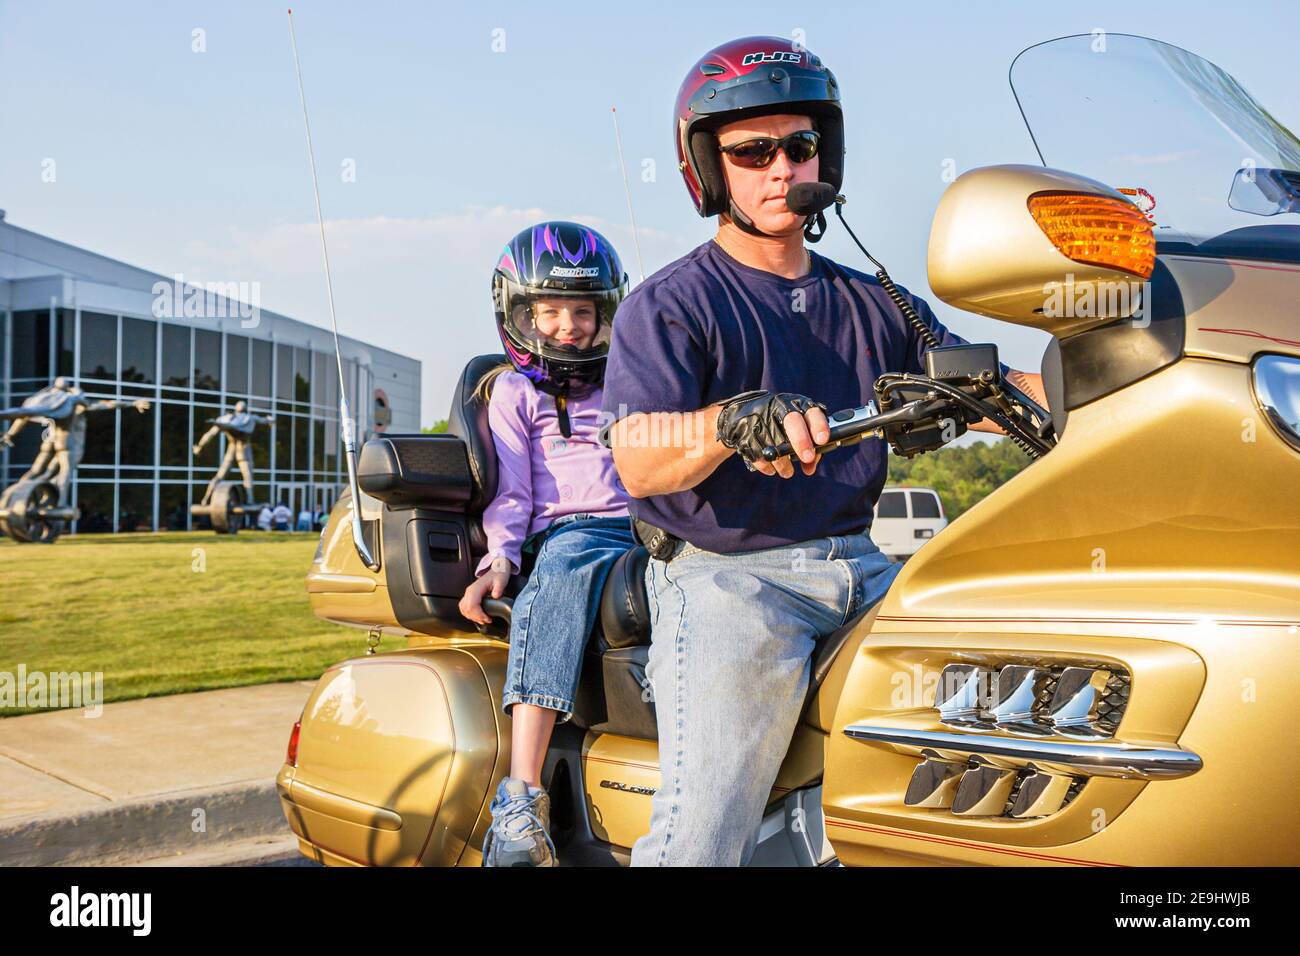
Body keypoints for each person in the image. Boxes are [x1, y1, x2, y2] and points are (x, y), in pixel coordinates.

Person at [600, 36, 1049, 866]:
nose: (780, 168)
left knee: (1015, 719)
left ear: (825, 158)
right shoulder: (671, 305)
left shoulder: (871, 301)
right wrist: (732, 421)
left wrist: (1121, 367)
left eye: (799, 146)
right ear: (710, 168)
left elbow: (982, 386)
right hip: (730, 577)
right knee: (703, 834)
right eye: (753, 151)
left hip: (864, 565)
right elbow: (638, 455)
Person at [457, 221, 635, 867]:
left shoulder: (629, 383)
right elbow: (512, 494)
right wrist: (500, 558)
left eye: (583, 310)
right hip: (573, 532)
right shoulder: (513, 392)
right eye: (550, 310)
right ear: (520, 315)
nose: (568, 326)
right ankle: (522, 800)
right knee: (558, 577)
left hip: (651, 530)